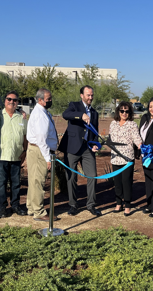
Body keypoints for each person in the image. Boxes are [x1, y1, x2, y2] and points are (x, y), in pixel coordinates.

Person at [58, 85, 102, 216]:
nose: (90, 97)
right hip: (72, 147)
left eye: (92, 95)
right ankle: (73, 205)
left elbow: (95, 131)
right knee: (71, 177)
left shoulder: (94, 112)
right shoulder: (74, 106)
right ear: (81, 95)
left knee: (92, 175)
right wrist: (80, 115)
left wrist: (95, 144)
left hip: (87, 148)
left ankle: (91, 205)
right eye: (88, 95)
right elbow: (65, 115)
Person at [26, 88, 58, 221]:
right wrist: (47, 158)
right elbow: (41, 139)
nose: (50, 101)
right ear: (40, 100)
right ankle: (39, 212)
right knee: (38, 181)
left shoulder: (43, 112)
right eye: (48, 99)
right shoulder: (40, 115)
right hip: (40, 151)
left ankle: (31, 207)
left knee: (34, 180)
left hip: (36, 149)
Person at [0, 91, 28, 218]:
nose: (12, 102)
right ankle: (2, 208)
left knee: (16, 183)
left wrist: (24, 151)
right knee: (1, 184)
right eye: (9, 99)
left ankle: (15, 205)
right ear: (5, 101)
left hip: (16, 156)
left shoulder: (21, 118)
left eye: (15, 100)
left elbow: (25, 136)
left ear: (17, 103)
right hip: (0, 156)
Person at [109, 101, 142, 216]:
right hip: (115, 158)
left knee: (126, 182)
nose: (124, 113)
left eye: (127, 111)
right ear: (118, 111)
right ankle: (118, 203)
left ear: (130, 113)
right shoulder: (113, 124)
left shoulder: (132, 124)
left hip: (127, 158)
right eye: (122, 111)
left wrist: (140, 145)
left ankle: (127, 205)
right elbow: (110, 139)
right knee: (117, 182)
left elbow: (136, 138)